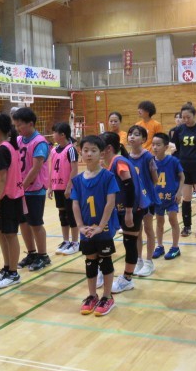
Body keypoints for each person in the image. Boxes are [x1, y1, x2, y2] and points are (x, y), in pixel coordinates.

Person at [71, 135, 120, 316]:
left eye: (93, 150)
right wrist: (80, 226)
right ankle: (92, 295)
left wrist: (100, 226)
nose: (89, 154)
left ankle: (107, 297)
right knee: (90, 261)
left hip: (103, 229)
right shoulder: (77, 180)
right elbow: (75, 204)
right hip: (86, 229)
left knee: (105, 260)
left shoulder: (108, 176)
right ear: (80, 152)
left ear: (101, 153)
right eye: (85, 150)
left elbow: (110, 203)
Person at [99, 132, 142, 294]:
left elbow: (130, 187)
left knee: (130, 243)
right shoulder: (112, 162)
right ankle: (103, 272)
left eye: (99, 147)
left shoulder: (119, 162)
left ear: (108, 148)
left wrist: (129, 211)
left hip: (132, 209)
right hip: (122, 208)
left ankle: (127, 280)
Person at [12, 107, 51, 272]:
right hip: (21, 189)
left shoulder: (39, 142)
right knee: (23, 223)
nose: (17, 128)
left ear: (30, 123)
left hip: (34, 189)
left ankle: (43, 255)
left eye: (19, 125)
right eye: (15, 125)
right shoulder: (19, 140)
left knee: (35, 223)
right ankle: (32, 253)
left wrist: (22, 186)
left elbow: (35, 169)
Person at [0, 114, 24, 289]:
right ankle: (7, 267)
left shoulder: (3, 149)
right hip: (12, 196)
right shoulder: (11, 146)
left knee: (10, 234)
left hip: (9, 198)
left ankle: (13, 273)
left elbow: (2, 179)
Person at [172, 103, 196, 238]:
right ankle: (187, 226)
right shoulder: (179, 130)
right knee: (186, 198)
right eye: (183, 117)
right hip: (184, 167)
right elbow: (176, 147)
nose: (185, 120)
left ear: (194, 115)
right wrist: (181, 159)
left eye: (188, 117)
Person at [127, 125, 159, 277]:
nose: (132, 137)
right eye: (130, 134)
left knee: (148, 228)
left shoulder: (148, 157)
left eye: (136, 134)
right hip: (134, 200)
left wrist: (145, 192)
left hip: (147, 199)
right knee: (137, 230)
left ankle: (149, 262)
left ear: (144, 139)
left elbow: (155, 179)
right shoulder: (126, 157)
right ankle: (139, 259)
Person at [48, 122, 79, 256]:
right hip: (57, 187)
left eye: (54, 132)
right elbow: (52, 170)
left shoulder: (71, 149)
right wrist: (50, 186)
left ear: (62, 135)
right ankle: (66, 241)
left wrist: (69, 187)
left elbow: (74, 169)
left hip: (68, 188)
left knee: (71, 215)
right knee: (62, 215)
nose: (52, 135)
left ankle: (75, 242)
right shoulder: (54, 150)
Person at [151, 132, 184, 260]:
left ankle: (175, 247)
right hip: (158, 198)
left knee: (172, 219)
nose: (155, 147)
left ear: (166, 147)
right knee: (159, 222)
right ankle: (159, 246)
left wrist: (179, 192)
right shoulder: (150, 162)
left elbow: (182, 177)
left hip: (171, 197)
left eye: (158, 145)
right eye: (153, 144)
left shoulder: (173, 161)